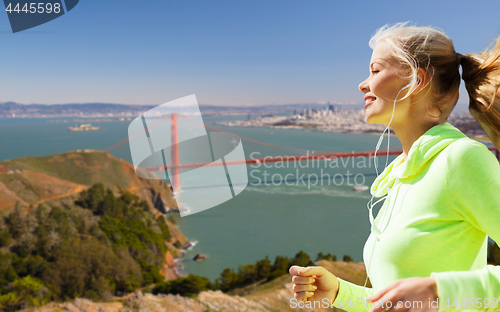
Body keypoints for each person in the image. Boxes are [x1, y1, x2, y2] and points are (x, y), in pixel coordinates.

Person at [289, 22, 500, 312]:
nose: (363, 84)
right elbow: (403, 303)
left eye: (375, 70)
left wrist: (441, 291)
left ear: (417, 81)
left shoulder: (460, 160)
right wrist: (339, 293)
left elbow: (429, 298)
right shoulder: (405, 172)